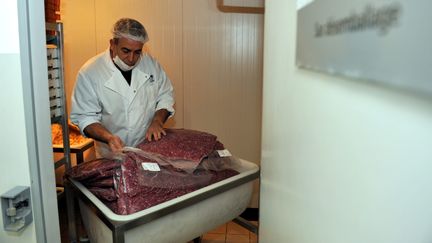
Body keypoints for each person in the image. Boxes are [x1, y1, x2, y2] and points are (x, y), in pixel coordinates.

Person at [70, 18, 175, 157]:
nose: (131, 58)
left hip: (147, 149)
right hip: (111, 153)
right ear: (113, 44)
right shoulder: (90, 72)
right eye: (126, 50)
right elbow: (85, 117)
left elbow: (165, 96)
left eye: (137, 52)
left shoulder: (151, 65)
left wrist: (157, 121)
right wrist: (109, 137)